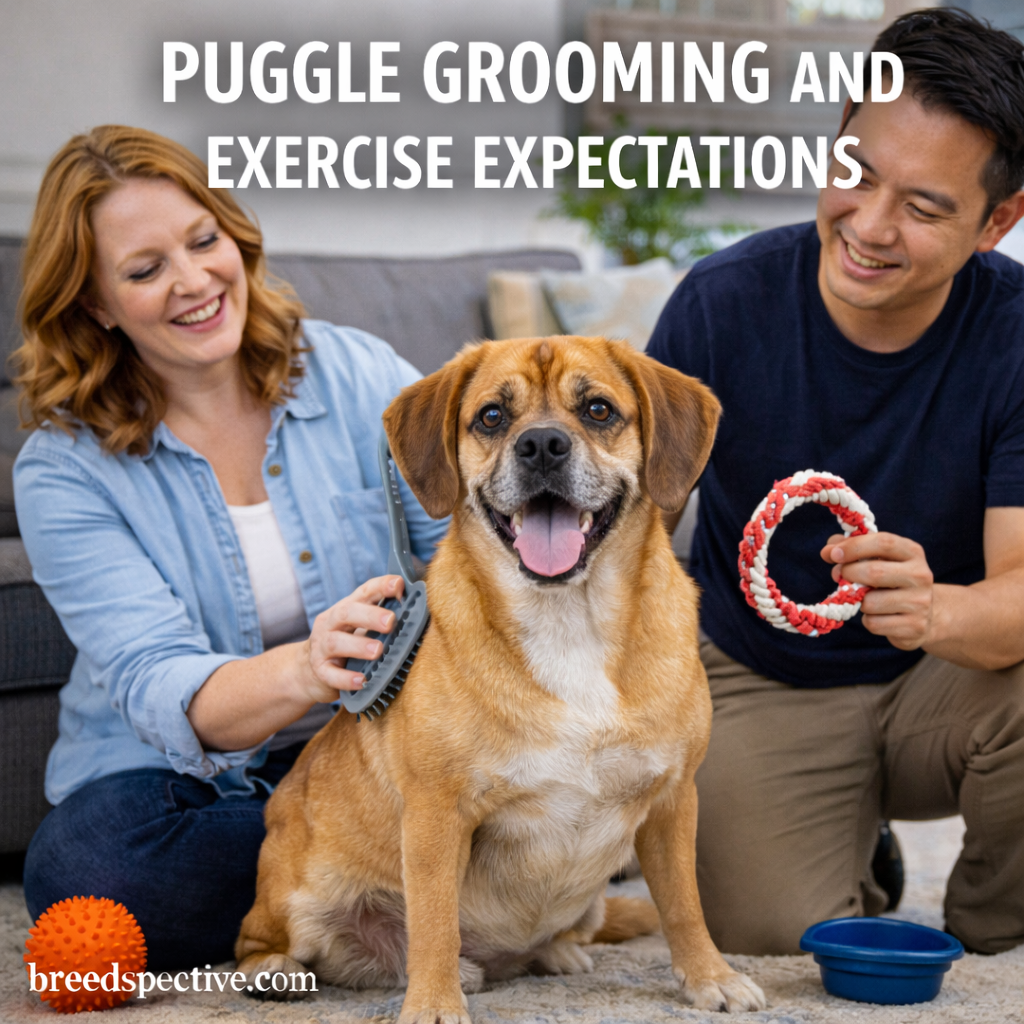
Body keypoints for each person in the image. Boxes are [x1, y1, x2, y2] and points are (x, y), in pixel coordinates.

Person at [12, 125, 447, 969]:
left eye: (203, 241)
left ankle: (376, 898)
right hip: (184, 788)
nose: (193, 281)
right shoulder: (64, 470)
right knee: (88, 868)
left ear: (234, 237)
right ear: (96, 303)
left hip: (376, 759)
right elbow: (155, 676)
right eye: (145, 271)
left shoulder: (360, 374)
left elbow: (463, 549)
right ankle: (426, 886)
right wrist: (307, 668)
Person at [647, 8, 1024, 956]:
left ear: (998, 222)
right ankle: (848, 845)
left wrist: (939, 610)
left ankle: (993, 916)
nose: (869, 224)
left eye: (925, 207)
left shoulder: (1015, 336)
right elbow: (633, 538)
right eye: (854, 172)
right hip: (757, 675)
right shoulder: (721, 304)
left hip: (944, 677)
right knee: (769, 933)